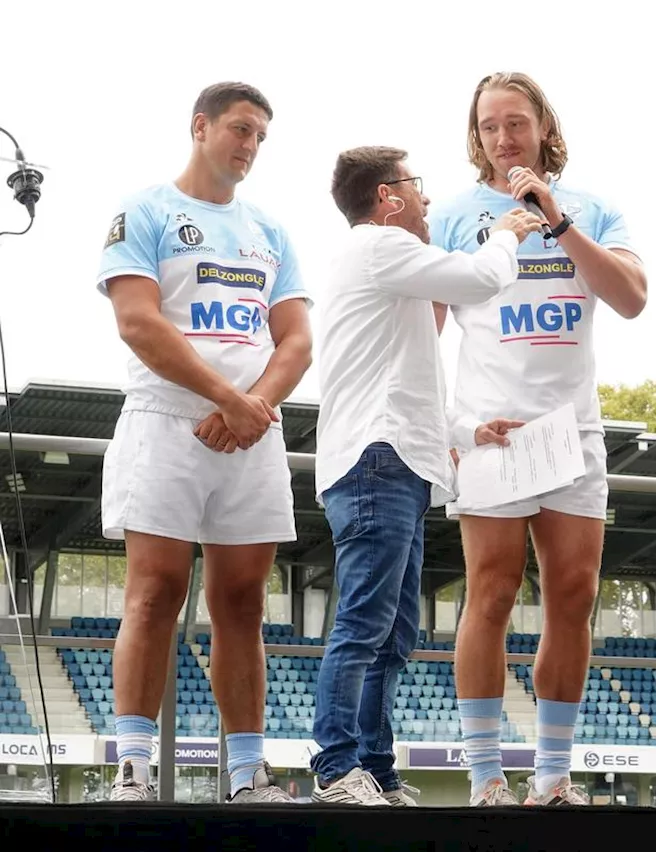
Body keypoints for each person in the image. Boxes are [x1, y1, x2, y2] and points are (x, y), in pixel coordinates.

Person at [428, 71, 647, 807]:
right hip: (493, 428)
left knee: (573, 595)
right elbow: (420, 336)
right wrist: (450, 430)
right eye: (489, 126)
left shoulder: (591, 208)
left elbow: (631, 299)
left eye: (515, 123)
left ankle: (552, 775)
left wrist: (557, 220)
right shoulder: (455, 216)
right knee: (488, 592)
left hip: (571, 430)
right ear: (476, 135)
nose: (502, 138)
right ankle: (485, 775)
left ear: (543, 126)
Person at [96, 81, 312, 803]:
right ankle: (131, 768)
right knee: (155, 591)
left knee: (244, 602)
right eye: (240, 130)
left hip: (252, 431)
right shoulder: (147, 210)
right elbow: (138, 322)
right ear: (201, 127)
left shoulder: (271, 232)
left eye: (259, 137)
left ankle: (248, 773)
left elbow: (297, 337)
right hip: (169, 421)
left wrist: (255, 404)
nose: (248, 147)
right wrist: (227, 398)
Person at [308, 146, 543, 806]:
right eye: (417, 186)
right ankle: (335, 765)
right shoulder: (378, 248)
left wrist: (466, 433)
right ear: (388, 197)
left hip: (396, 461)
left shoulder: (386, 265)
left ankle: (375, 769)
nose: (428, 199)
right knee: (365, 624)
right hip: (377, 464)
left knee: (391, 634)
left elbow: (401, 378)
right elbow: (481, 279)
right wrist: (505, 232)